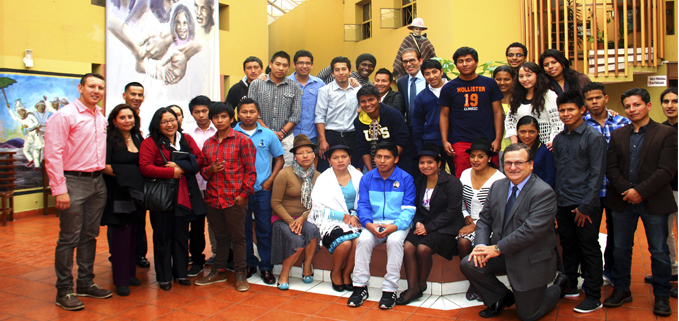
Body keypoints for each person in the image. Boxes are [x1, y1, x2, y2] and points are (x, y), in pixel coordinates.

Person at [460, 143, 568, 321]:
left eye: (519, 162)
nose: (513, 167)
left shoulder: (543, 193)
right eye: (508, 163)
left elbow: (530, 231)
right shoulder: (497, 187)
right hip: (503, 253)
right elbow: (485, 219)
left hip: (530, 258)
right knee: (470, 263)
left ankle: (558, 286)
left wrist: (496, 249)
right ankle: (501, 298)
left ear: (531, 164)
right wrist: (480, 245)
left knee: (528, 315)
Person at [603, 88, 677, 316]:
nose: (632, 110)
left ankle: (662, 295)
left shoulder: (666, 133)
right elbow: (611, 167)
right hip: (623, 201)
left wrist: (640, 192)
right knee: (621, 249)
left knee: (659, 251)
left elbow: (667, 170)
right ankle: (622, 289)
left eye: (636, 105)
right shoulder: (619, 134)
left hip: (654, 202)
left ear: (648, 105)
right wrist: (628, 190)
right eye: (628, 106)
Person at [45, 73, 112, 310]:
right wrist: (60, 190)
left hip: (97, 183)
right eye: (92, 86)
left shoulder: (100, 116)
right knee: (69, 238)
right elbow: (52, 155)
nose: (96, 90)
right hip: (73, 182)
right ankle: (64, 290)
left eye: (101, 87)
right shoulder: (64, 116)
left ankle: (86, 282)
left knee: (89, 236)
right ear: (80, 88)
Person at [139, 107, 206, 291]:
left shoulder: (185, 139)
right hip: (162, 197)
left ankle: (181, 273)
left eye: (172, 120)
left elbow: (200, 159)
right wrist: (170, 172)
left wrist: (181, 167)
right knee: (162, 237)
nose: (170, 124)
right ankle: (164, 276)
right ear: (157, 124)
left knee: (181, 236)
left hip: (185, 196)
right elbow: (145, 167)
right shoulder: (150, 142)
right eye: (164, 121)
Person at [552, 90, 607, 313]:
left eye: (570, 110)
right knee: (568, 245)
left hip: (584, 205)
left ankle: (594, 294)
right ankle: (572, 286)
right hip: (563, 203)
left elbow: (597, 174)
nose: (566, 114)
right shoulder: (559, 139)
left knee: (589, 248)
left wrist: (585, 206)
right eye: (562, 110)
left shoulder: (594, 137)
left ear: (582, 110)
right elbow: (559, 172)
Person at [194, 102, 255, 292]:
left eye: (223, 117)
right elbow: (203, 173)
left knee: (237, 238)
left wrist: (244, 195)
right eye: (216, 117)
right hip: (213, 198)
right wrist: (209, 169)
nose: (219, 120)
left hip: (234, 199)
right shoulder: (208, 143)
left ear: (231, 118)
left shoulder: (242, 141)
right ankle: (218, 271)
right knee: (220, 237)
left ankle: (240, 275)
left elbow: (251, 172)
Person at [347, 141, 416, 309]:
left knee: (394, 242)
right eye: (379, 157)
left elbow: (409, 209)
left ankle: (390, 289)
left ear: (396, 159)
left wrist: (394, 227)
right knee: (363, 241)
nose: (382, 161)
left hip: (397, 223)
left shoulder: (406, 179)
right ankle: (360, 286)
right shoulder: (367, 178)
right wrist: (368, 225)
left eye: (387, 157)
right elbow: (363, 205)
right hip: (373, 222)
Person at [396, 142, 464, 305]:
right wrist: (419, 223)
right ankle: (413, 287)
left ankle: (420, 284)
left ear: (439, 163)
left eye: (430, 162)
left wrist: (429, 227)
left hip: (446, 227)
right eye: (422, 162)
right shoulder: (419, 183)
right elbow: (416, 207)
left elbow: (452, 211)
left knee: (423, 249)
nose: (425, 166)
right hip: (424, 225)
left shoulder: (452, 183)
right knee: (408, 246)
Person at [581, 82, 631, 285]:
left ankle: (611, 272)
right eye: (590, 99)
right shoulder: (580, 125)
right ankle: (591, 276)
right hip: (591, 191)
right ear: (584, 103)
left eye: (598, 97)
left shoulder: (623, 122)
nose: (594, 102)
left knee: (617, 237)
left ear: (606, 98)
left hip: (617, 189)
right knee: (589, 237)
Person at [233, 98, 285, 284]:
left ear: (258, 113)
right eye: (244, 112)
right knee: (243, 230)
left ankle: (266, 268)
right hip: (241, 192)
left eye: (252, 112)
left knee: (264, 229)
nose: (248, 115)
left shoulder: (268, 134)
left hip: (263, 191)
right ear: (238, 114)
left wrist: (270, 180)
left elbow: (279, 159)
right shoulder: (232, 134)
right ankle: (249, 264)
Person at [101, 104, 145, 297]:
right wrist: (126, 175)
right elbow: (103, 165)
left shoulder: (137, 137)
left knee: (134, 233)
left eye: (130, 117)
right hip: (118, 192)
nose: (127, 120)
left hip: (137, 194)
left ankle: (130, 274)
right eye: (123, 117)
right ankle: (120, 280)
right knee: (120, 236)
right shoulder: (109, 138)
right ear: (114, 120)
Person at [440, 47, 504, 177]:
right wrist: (445, 141)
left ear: (476, 62)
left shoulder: (490, 84)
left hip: (488, 140)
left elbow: (498, 112)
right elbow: (444, 115)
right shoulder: (449, 87)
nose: (464, 64)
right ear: (456, 65)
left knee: (492, 179)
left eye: (468, 60)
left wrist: (498, 139)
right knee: (463, 178)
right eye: (460, 61)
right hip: (461, 140)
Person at [308, 139, 362, 292]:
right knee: (344, 243)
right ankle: (336, 272)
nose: (340, 160)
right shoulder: (323, 179)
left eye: (344, 156)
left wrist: (356, 215)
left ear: (350, 158)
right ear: (329, 160)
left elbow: (365, 201)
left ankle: (347, 273)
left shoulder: (358, 176)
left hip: (356, 219)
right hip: (330, 221)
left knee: (359, 241)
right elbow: (318, 208)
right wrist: (344, 217)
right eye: (335, 157)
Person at [457, 136, 506, 301]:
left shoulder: (499, 179)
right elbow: (460, 201)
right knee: (463, 241)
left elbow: (498, 211)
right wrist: (466, 216)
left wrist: (477, 224)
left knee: (480, 241)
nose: (475, 160)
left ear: (489, 158)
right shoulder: (464, 174)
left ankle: (481, 281)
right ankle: (474, 281)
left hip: (491, 225)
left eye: (480, 156)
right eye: (472, 156)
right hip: (470, 221)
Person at [270, 135, 321, 290]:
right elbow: (275, 203)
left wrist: (303, 218)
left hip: (306, 218)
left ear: (314, 154)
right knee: (297, 241)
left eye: (308, 152)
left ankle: (307, 265)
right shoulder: (284, 174)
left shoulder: (318, 176)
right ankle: (284, 273)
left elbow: (319, 204)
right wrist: (291, 221)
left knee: (312, 232)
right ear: (295, 156)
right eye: (300, 153)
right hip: (283, 218)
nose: (305, 156)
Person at [248, 51, 302, 166]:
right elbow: (252, 112)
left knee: (285, 173)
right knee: (262, 170)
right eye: (277, 64)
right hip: (261, 135)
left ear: (289, 68)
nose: (281, 68)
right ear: (270, 64)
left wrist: (282, 132)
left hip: (285, 138)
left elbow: (296, 115)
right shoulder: (256, 84)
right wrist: (269, 132)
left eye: (284, 65)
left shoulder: (294, 87)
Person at [183, 95, 218, 275]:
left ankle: (219, 255)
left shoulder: (218, 130)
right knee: (196, 225)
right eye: (197, 112)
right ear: (192, 114)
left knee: (216, 223)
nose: (201, 115)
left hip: (216, 185)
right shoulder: (187, 134)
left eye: (204, 111)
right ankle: (197, 258)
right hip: (194, 186)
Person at [120, 82, 150, 269]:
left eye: (140, 94)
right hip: (121, 183)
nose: (136, 98)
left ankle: (139, 254)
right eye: (133, 94)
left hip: (139, 183)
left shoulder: (138, 122)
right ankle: (120, 254)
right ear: (125, 95)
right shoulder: (118, 119)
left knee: (139, 220)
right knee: (121, 221)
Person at [315, 56, 362, 172]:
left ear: (350, 71)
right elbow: (320, 116)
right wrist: (322, 140)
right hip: (331, 135)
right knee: (325, 170)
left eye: (344, 69)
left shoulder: (358, 89)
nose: (341, 73)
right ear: (332, 73)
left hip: (352, 135)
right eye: (337, 70)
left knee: (352, 169)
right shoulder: (324, 91)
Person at [353, 86, 413, 175]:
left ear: (379, 99)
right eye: (363, 101)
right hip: (375, 160)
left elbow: (402, 140)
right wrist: (371, 171)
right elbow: (363, 148)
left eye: (371, 100)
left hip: (399, 158)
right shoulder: (359, 121)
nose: (367, 104)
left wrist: (389, 162)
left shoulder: (393, 114)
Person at [504, 62, 561, 148]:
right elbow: (510, 121)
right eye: (521, 76)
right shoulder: (516, 96)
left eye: (529, 75)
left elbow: (557, 122)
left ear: (537, 76)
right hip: (522, 147)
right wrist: (514, 140)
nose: (524, 79)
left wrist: (552, 141)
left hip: (545, 147)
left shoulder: (548, 95)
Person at [412, 59, 453, 171]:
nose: (431, 76)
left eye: (434, 72)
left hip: (454, 141)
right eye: (427, 73)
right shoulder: (421, 97)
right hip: (432, 143)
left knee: (457, 175)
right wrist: (420, 148)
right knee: (435, 178)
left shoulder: (454, 89)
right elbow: (417, 124)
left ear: (441, 71)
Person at [657, 87, 678, 298]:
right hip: (666, 189)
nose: (670, 105)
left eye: (675, 101)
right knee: (666, 232)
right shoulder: (662, 129)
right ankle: (672, 270)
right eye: (666, 101)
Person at [288, 50, 326, 148]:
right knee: (289, 163)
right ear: (294, 64)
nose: (304, 66)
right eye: (300, 63)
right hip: (290, 135)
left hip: (312, 134)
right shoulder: (286, 83)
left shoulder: (319, 84)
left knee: (312, 162)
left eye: (307, 63)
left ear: (312, 65)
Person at [516, 116, 555, 187]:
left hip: (541, 192)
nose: (527, 136)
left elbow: (551, 178)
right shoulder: (514, 151)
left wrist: (540, 193)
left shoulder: (546, 150)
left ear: (538, 131)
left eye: (531, 132)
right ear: (517, 132)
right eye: (522, 132)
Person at [8, 99, 42, 170]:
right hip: (29, 135)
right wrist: (9, 109)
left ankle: (37, 166)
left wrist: (28, 125)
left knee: (36, 150)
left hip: (35, 134)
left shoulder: (30, 115)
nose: (22, 113)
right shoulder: (21, 119)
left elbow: (36, 123)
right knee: (25, 149)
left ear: (25, 111)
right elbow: (14, 117)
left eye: (23, 111)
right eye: (20, 112)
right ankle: (31, 160)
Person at [396, 48, 426, 125]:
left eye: (412, 60)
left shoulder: (430, 78)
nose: (408, 64)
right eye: (405, 61)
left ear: (420, 61)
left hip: (430, 127)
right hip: (411, 128)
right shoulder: (401, 82)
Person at [493, 66, 516, 154]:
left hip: (517, 148)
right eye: (498, 79)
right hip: (496, 148)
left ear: (513, 80)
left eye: (506, 79)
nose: (502, 83)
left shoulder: (520, 101)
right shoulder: (490, 103)